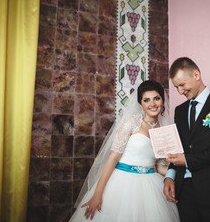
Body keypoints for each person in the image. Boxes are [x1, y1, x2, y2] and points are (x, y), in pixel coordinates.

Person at [70, 80, 179, 221]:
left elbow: (159, 166)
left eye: (156, 98)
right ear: (141, 104)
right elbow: (113, 158)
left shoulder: (164, 131)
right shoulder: (131, 122)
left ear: (163, 101)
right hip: (122, 181)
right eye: (147, 100)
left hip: (151, 185)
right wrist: (97, 193)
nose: (152, 104)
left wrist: (179, 172)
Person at [163, 57, 210, 222]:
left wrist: (189, 160)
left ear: (196, 74)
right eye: (176, 87)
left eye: (182, 85)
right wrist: (170, 175)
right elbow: (180, 147)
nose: (180, 91)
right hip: (185, 193)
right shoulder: (180, 111)